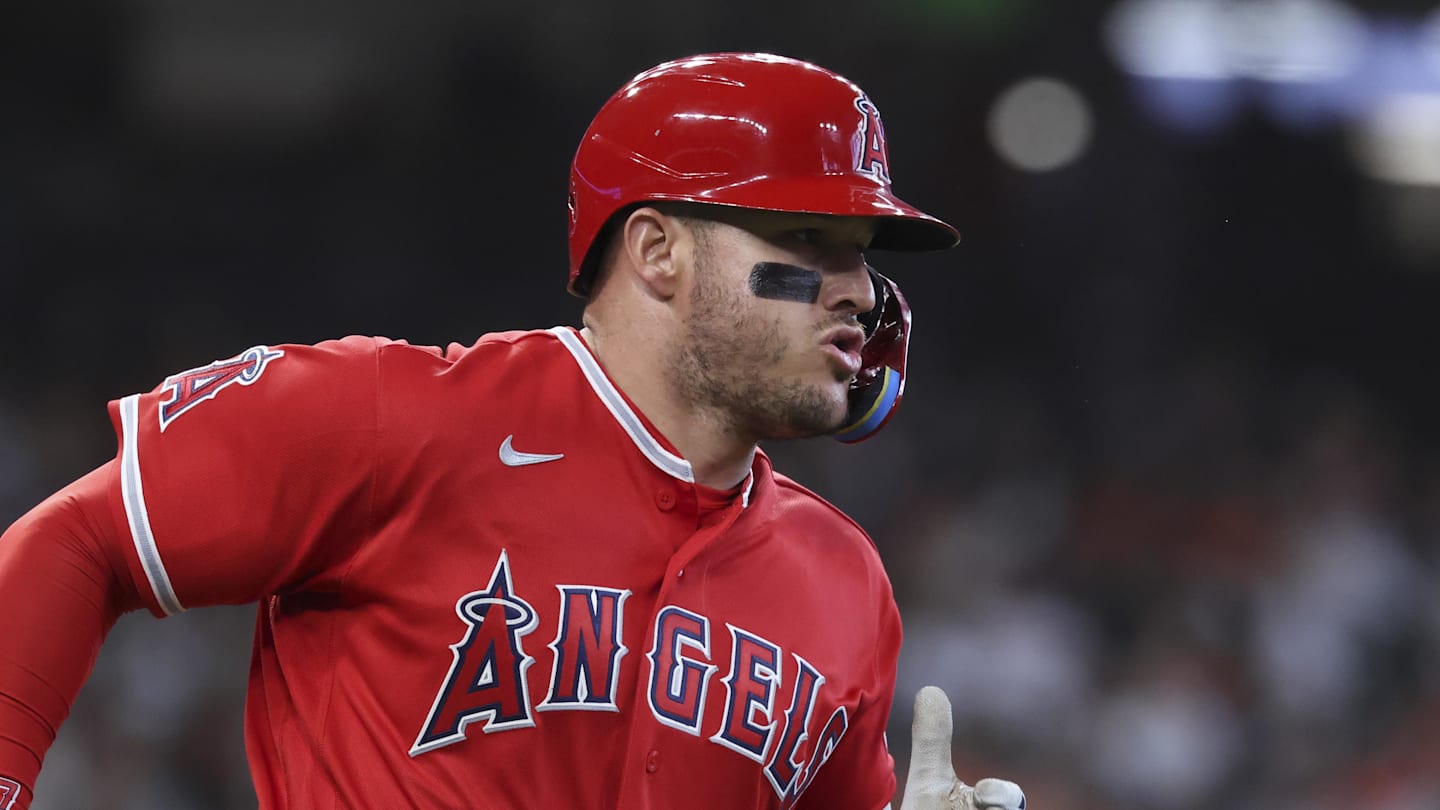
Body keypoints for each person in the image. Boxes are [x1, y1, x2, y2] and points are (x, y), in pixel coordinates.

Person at [0, 52, 1026, 809]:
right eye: (808, 239)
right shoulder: (396, 419)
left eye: (863, 252)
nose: (860, 292)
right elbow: (84, 541)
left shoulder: (846, 581)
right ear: (657, 251)